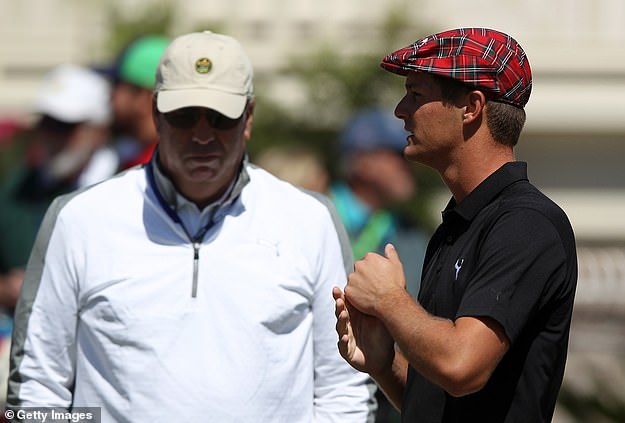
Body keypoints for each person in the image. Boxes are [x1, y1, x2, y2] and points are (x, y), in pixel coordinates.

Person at [8, 31, 375, 422]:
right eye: (184, 116)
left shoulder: (309, 219)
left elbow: (344, 386)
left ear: (248, 118)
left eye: (221, 117)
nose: (202, 134)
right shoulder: (79, 218)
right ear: (156, 116)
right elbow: (37, 383)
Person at [333, 27, 578, 423]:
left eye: (416, 94)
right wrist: (382, 362)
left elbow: (462, 367)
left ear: (471, 107)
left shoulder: (527, 224)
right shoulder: (458, 224)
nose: (400, 110)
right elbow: (436, 400)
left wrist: (389, 300)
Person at [0, 63, 112, 407]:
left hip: (98, 368)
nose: (52, 136)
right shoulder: (18, 187)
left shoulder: (126, 191)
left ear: (98, 130)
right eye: (48, 123)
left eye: (66, 126)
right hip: (25, 355)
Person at [330, 108, 427, 296]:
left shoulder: (410, 232)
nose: (409, 161)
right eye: (398, 155)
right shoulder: (314, 216)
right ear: (362, 161)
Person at [102, 35, 169, 170]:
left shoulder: (155, 169)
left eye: (116, 85)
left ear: (144, 97)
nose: (109, 96)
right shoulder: (139, 157)